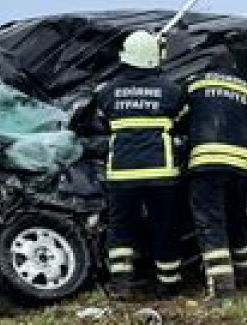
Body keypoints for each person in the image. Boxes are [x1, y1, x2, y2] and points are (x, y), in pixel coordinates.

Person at [73, 30, 186, 299]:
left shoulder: (108, 91)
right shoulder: (172, 91)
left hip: (122, 173)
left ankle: (122, 283)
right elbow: (183, 121)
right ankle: (168, 283)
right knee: (164, 226)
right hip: (162, 172)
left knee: (122, 227)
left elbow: (97, 124)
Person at [183, 59, 247, 301]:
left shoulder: (194, 85)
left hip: (205, 164)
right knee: (237, 216)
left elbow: (179, 120)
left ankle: (223, 289)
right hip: (240, 166)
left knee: (211, 223)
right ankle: (244, 273)